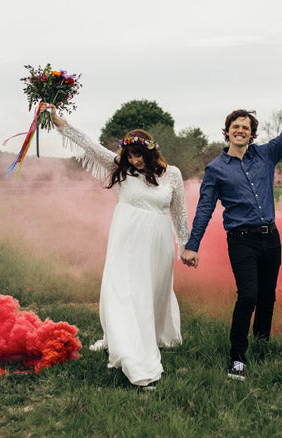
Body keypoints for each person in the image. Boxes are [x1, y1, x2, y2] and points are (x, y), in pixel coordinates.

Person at [41, 103, 190, 390]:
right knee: (124, 293)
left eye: (139, 156)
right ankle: (134, 356)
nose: (134, 161)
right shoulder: (119, 169)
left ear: (151, 152)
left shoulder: (172, 174)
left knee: (152, 294)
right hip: (127, 244)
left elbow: (179, 213)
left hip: (159, 245)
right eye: (130, 156)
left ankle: (147, 334)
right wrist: (61, 123)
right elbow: (89, 145)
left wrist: (185, 245)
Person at [180, 70, 282, 381]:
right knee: (249, 296)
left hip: (271, 238)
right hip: (241, 240)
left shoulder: (265, 155)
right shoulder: (215, 169)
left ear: (251, 133)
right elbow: (204, 209)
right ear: (226, 132)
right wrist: (192, 245)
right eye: (235, 127)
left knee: (268, 296)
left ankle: (263, 344)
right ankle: (237, 358)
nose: (240, 130)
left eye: (245, 127)